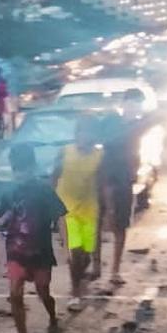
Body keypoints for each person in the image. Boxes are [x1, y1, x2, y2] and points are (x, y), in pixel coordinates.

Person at [0, 142, 65, 333]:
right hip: (15, 251)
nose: (19, 174)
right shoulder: (8, 191)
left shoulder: (43, 190)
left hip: (40, 251)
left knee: (43, 290)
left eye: (23, 169)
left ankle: (52, 319)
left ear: (32, 168)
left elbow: (59, 216)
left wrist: (64, 243)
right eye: (16, 170)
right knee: (15, 294)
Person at [55, 116, 103, 306]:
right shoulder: (65, 152)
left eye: (89, 132)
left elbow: (103, 183)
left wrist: (108, 209)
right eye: (82, 132)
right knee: (74, 251)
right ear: (76, 135)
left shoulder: (99, 156)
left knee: (85, 254)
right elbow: (54, 176)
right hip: (67, 211)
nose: (85, 136)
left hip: (90, 210)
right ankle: (75, 291)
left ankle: (81, 275)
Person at [95, 109, 139, 290]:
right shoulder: (127, 147)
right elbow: (134, 171)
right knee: (119, 229)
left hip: (105, 189)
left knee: (97, 228)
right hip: (120, 188)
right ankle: (114, 270)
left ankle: (97, 265)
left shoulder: (103, 150)